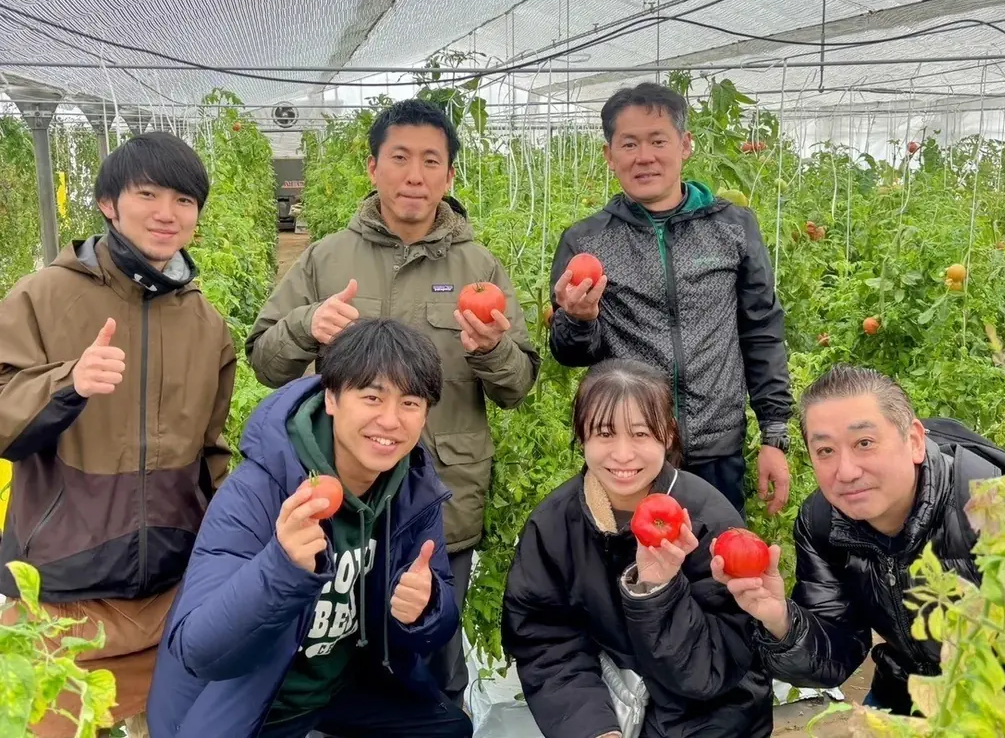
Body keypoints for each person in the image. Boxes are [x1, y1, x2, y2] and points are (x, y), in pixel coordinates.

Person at [245, 98, 540, 705]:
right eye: (399, 157)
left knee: (430, 658)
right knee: (329, 659)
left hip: (438, 505)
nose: (415, 174)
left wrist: (490, 350)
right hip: (339, 504)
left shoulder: (478, 265)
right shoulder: (328, 259)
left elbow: (517, 387)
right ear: (372, 166)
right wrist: (307, 325)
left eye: (431, 161)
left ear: (450, 175)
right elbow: (266, 363)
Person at [0, 132, 236, 736]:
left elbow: (211, 452)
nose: (166, 213)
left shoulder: (206, 324)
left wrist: (228, 553)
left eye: (184, 200)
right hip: (62, 591)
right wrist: (67, 382)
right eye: (147, 194)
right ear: (108, 203)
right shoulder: (43, 296)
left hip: (168, 588)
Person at [147, 317, 473, 738]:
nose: (391, 421)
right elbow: (200, 650)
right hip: (247, 707)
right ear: (332, 397)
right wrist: (280, 567)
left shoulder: (411, 490)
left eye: (410, 404)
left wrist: (425, 608)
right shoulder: (261, 489)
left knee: (448, 730)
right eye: (372, 397)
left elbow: (434, 621)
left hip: (340, 693)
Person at [547, 82, 792, 518]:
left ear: (685, 145)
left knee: (715, 570)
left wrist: (774, 435)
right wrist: (579, 320)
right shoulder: (586, 241)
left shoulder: (732, 226)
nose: (645, 157)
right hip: (628, 450)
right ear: (610, 156)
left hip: (717, 446)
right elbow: (569, 354)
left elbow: (760, 331)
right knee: (627, 571)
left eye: (658, 141)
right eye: (629, 144)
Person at [712, 364, 1005, 716]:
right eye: (825, 451)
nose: (846, 471)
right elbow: (836, 657)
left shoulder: (993, 508)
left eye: (864, 443)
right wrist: (781, 621)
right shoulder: (823, 522)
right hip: (906, 692)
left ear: (913, 440)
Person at [501, 358, 773, 738]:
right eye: (605, 433)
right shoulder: (555, 525)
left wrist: (658, 593)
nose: (624, 455)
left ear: (668, 436)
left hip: (714, 716)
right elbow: (545, 641)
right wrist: (594, 727)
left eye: (642, 434)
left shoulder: (709, 521)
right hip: (612, 705)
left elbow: (714, 670)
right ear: (581, 437)